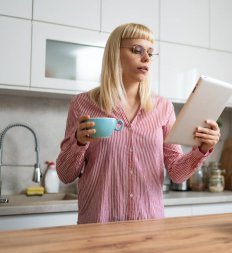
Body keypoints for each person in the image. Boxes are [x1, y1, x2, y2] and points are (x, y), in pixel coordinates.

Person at [56, 23, 221, 224]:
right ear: (114, 54)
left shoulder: (163, 107)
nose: (146, 59)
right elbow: (65, 175)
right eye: (137, 50)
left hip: (148, 227)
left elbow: (177, 174)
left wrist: (202, 149)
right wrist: (78, 142)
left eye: (150, 53)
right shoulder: (82, 104)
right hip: (98, 225)